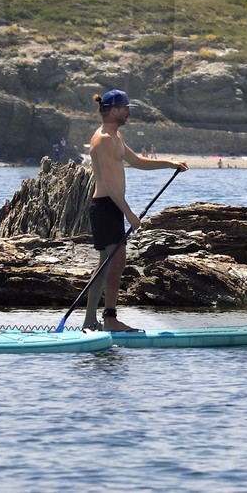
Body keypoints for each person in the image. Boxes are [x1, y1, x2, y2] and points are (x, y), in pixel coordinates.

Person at [84, 89, 186, 332]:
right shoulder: (104, 139)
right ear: (113, 110)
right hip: (106, 206)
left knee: (112, 262)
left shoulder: (114, 135)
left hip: (110, 206)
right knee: (113, 262)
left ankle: (98, 319)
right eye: (126, 108)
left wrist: (169, 164)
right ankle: (105, 319)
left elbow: (137, 162)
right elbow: (108, 184)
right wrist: (129, 213)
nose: (128, 112)